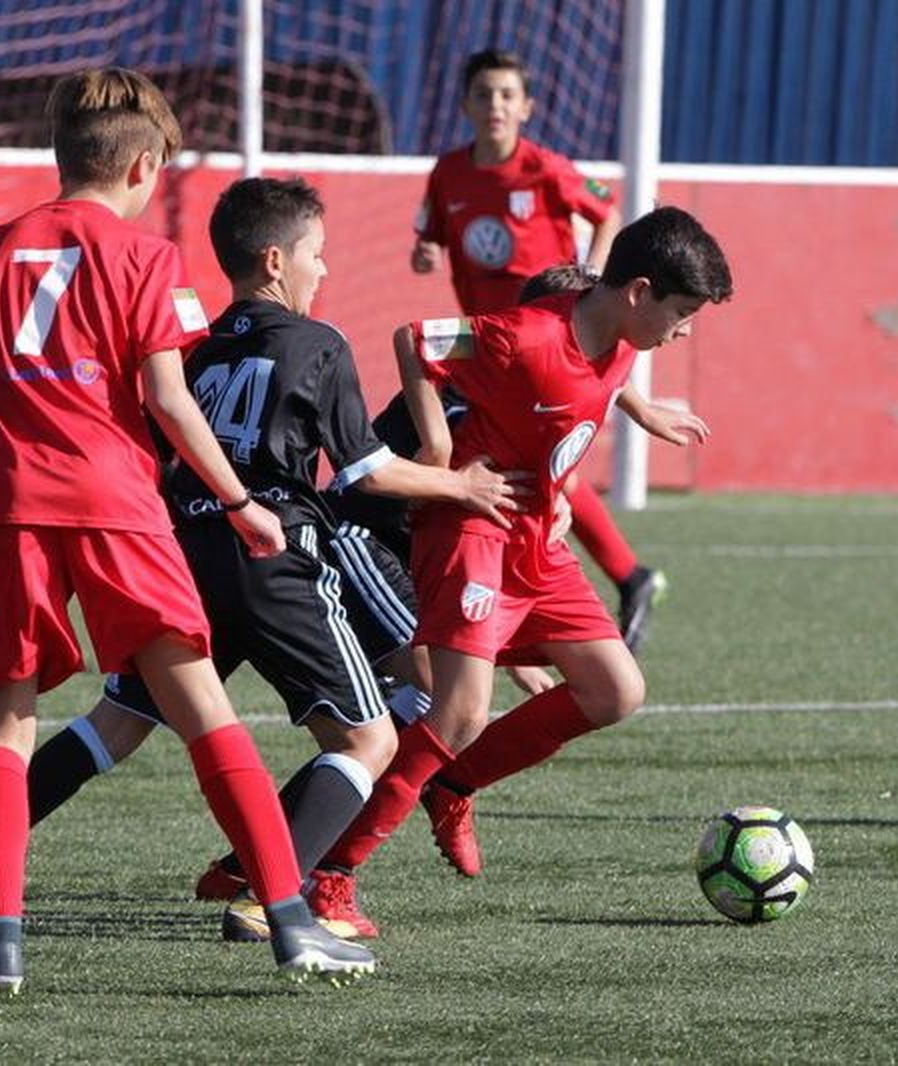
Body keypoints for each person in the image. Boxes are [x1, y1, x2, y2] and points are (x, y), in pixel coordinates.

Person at [0, 174, 527, 947]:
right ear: (274, 261)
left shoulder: (196, 348)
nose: (323, 272)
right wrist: (458, 483)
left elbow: (164, 442)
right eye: (316, 256)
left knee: (114, 724)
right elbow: (365, 471)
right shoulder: (318, 343)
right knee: (372, 738)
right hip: (272, 553)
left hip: (185, 556)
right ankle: (277, 894)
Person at [0, 69, 371, 1000]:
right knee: (203, 714)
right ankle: (292, 923)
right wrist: (238, 501)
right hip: (116, 508)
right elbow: (167, 399)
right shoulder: (143, 258)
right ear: (144, 164)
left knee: (3, 729)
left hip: (1, 506)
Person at [310, 206, 733, 938]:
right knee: (459, 710)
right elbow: (416, 340)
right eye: (683, 312)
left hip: (538, 540)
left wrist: (640, 410)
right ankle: (332, 875)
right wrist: (439, 444)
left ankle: (455, 781)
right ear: (637, 291)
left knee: (615, 689)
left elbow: (607, 368)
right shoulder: (525, 334)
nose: (686, 329)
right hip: (473, 528)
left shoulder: (622, 335)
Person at [411, 48, 669, 653]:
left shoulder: (547, 167)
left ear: (525, 107)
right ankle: (617, 579)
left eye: (507, 95)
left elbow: (609, 214)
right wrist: (424, 251)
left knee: (538, 473)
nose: (495, 105)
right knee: (524, 475)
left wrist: (591, 279)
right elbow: (430, 236)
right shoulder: (448, 172)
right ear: (465, 104)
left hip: (547, 340)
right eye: (484, 94)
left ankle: (618, 578)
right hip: (486, 351)